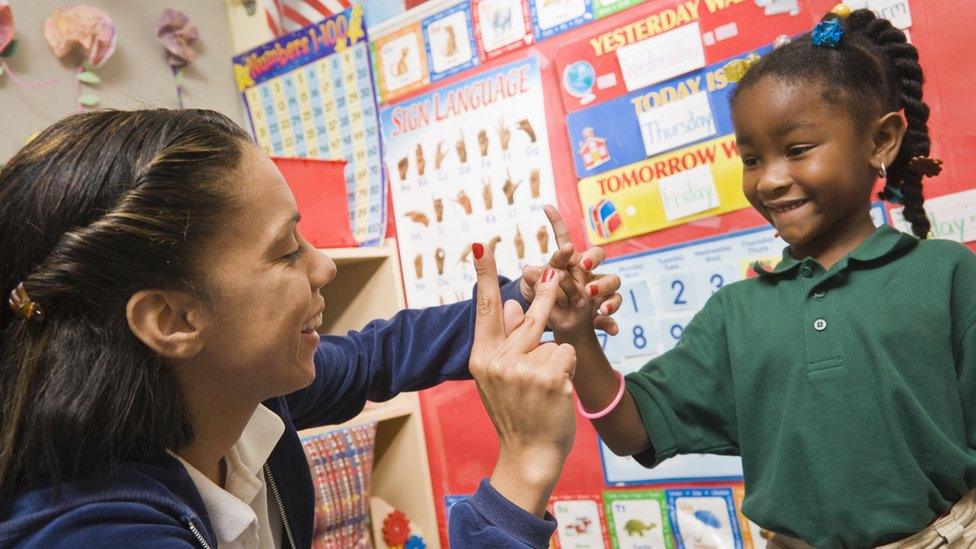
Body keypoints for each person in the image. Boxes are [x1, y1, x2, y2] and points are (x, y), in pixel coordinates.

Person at [0, 109, 621, 548]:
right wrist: (524, 466)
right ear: (172, 320)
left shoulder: (242, 404)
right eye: (285, 250)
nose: (323, 265)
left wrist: (536, 298)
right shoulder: (89, 530)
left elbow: (383, 354)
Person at [549, 6, 976, 548]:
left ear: (881, 141)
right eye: (751, 159)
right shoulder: (736, 313)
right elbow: (632, 430)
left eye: (797, 150)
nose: (769, 180)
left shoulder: (946, 277)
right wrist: (577, 333)